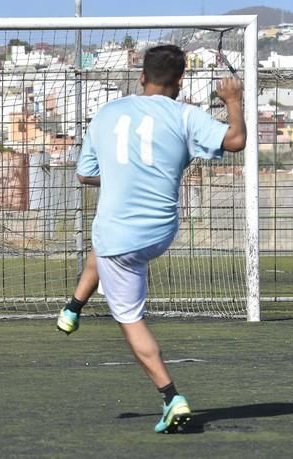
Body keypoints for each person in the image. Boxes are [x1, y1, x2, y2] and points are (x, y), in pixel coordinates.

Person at [56, 44, 246, 433]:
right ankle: (73, 308)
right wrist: (233, 99)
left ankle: (171, 397)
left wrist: (123, 174)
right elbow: (235, 140)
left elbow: (85, 174)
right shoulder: (186, 115)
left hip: (118, 234)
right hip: (161, 231)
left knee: (129, 313)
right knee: (110, 247)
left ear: (141, 76)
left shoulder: (107, 113)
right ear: (180, 81)